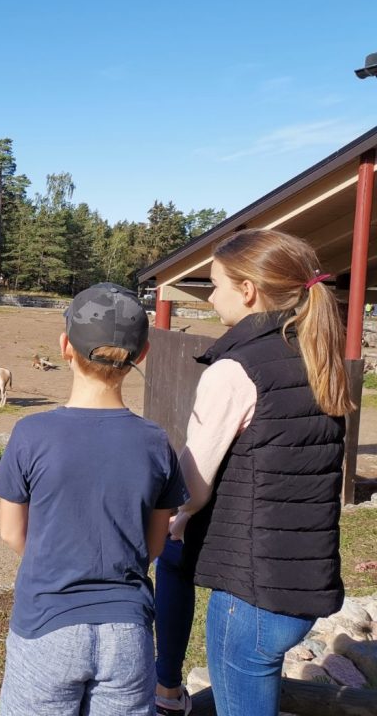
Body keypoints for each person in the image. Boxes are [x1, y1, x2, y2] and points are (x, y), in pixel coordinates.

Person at [158, 229, 353, 716]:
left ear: (247, 290)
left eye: (216, 284)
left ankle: (166, 690)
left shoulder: (235, 369)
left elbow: (192, 487)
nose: (212, 294)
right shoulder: (315, 356)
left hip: (251, 592)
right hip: (304, 580)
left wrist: (168, 511)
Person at [0, 283, 187, 715]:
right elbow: (154, 546)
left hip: (46, 625)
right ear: (143, 353)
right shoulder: (156, 442)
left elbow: (11, 533)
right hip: (129, 635)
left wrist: (55, 560)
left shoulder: (31, 434)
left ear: (65, 347)